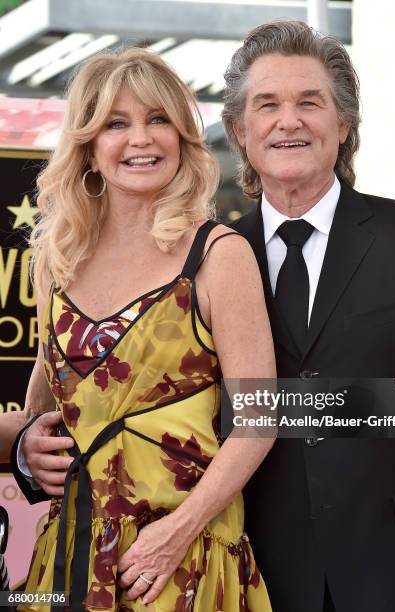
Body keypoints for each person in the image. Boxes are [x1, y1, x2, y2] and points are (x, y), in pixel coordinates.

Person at [11, 48, 276, 611]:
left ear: (182, 135)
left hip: (180, 561)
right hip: (67, 559)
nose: (142, 139)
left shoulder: (218, 255)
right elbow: (43, 406)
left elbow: (259, 419)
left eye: (158, 119)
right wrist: (26, 446)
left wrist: (177, 531)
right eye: (116, 123)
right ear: (87, 145)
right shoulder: (56, 261)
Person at [221, 20, 395, 612]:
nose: (289, 121)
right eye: (268, 105)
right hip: (260, 575)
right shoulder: (212, 257)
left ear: (344, 124)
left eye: (310, 102)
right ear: (238, 130)